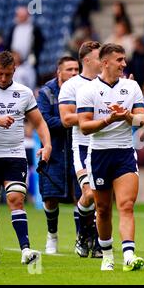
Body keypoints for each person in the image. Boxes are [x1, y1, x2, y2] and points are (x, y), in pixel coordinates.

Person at [0, 51, 51, 265]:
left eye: (8, 74)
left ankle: (26, 250)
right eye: (0, 74)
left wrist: (47, 144)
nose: (4, 78)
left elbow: (39, 122)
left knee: (16, 199)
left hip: (15, 153)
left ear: (14, 70)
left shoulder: (24, 93)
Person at [77, 43, 144, 271]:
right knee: (103, 209)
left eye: (124, 60)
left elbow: (142, 121)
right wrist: (108, 120)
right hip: (98, 154)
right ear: (105, 62)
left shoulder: (132, 86)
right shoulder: (88, 90)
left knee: (126, 205)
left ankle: (128, 255)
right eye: (119, 60)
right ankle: (107, 255)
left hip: (124, 151)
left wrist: (126, 116)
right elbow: (85, 127)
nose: (124, 64)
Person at [59, 41, 103, 258]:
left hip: (107, 145)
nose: (104, 61)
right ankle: (84, 234)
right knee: (89, 194)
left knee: (102, 197)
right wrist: (93, 115)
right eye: (99, 57)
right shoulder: (71, 86)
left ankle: (96, 241)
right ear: (87, 60)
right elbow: (66, 119)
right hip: (83, 145)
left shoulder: (111, 83)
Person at [37, 56, 80, 255]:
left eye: (76, 69)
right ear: (59, 72)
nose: (73, 73)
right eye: (69, 69)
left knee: (80, 195)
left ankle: (83, 237)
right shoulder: (46, 92)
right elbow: (43, 120)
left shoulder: (85, 89)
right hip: (53, 149)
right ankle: (52, 235)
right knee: (50, 196)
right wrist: (70, 120)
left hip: (77, 148)